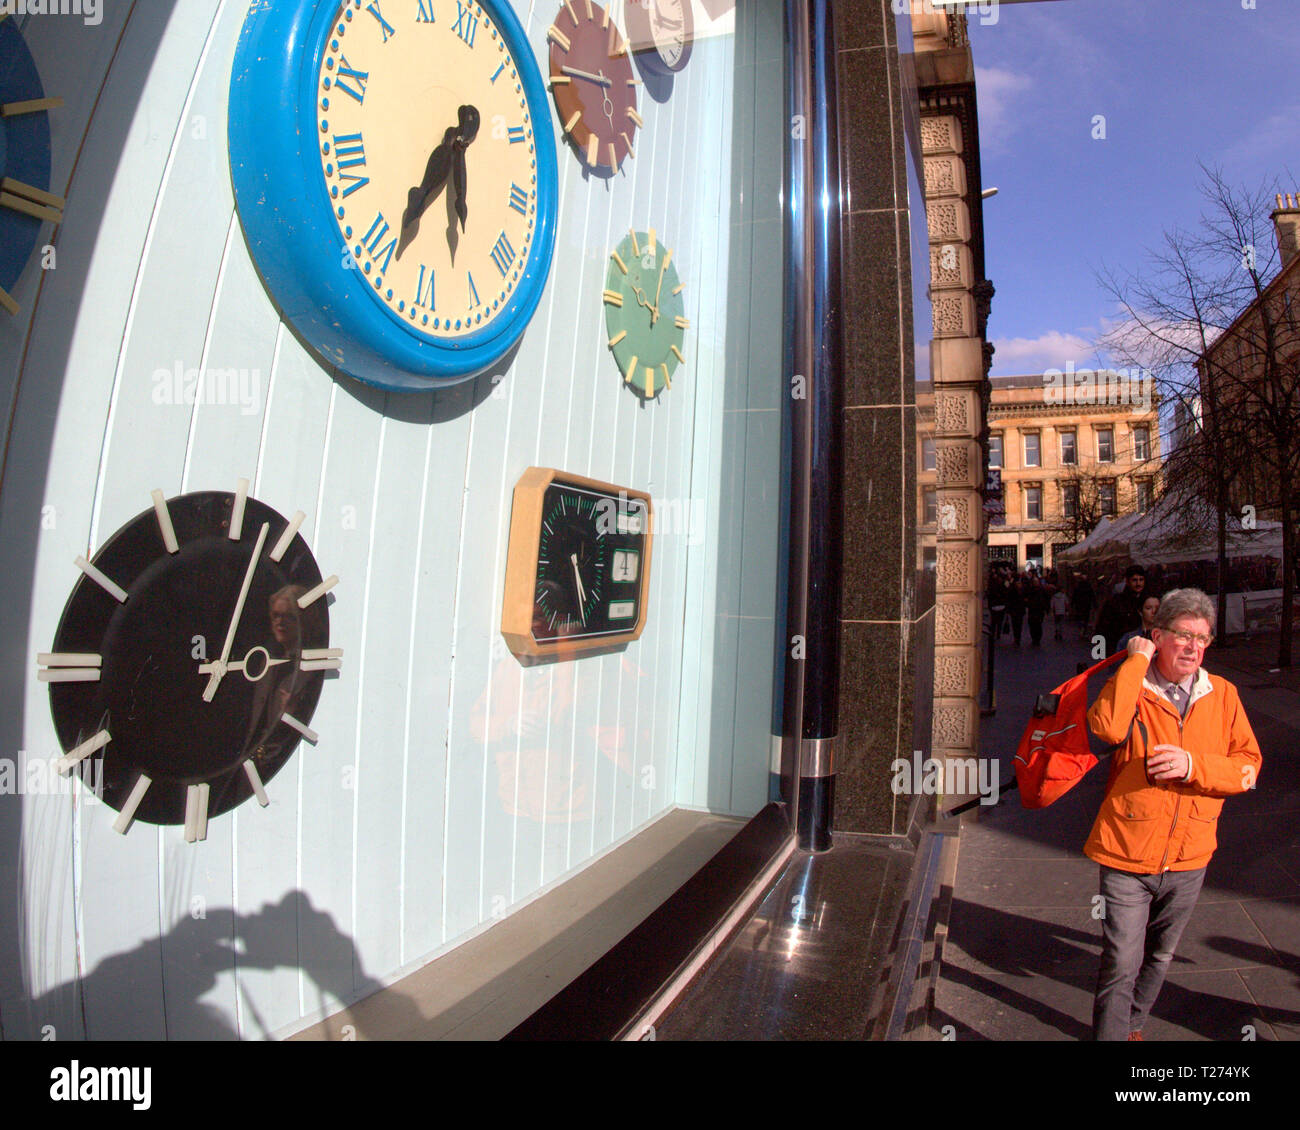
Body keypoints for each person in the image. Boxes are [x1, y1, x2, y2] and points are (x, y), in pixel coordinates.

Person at [1085, 588, 1262, 1041]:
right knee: (1122, 961)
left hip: (1190, 855)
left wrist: (1193, 766)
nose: (1193, 647)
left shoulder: (1222, 694)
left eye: (1202, 639)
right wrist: (1134, 663)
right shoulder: (1132, 684)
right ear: (1157, 636)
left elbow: (1248, 768)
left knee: (1160, 956)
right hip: (1127, 852)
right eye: (1183, 636)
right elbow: (1105, 728)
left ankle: (1133, 1028)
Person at [1096, 564, 1147, 654]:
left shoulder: (1148, 601)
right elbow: (1102, 627)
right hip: (1119, 650)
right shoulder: (1115, 602)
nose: (1138, 583)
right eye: (1134, 580)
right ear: (1127, 581)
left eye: (1141, 580)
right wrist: (1102, 652)